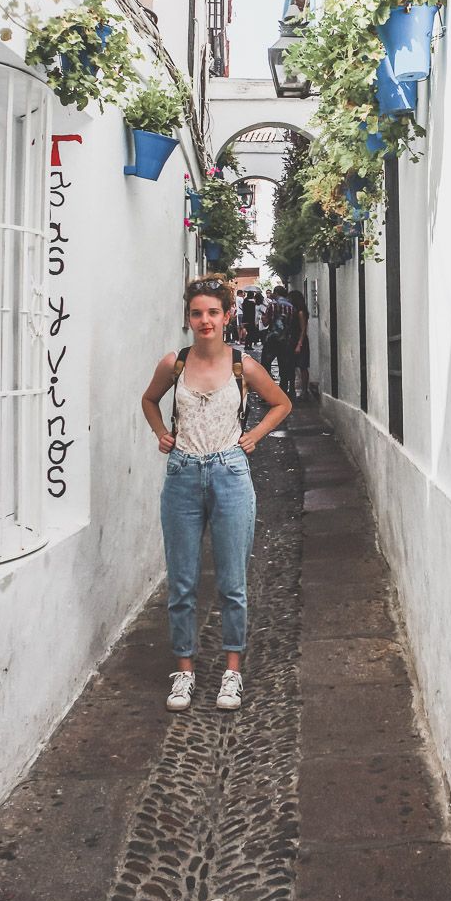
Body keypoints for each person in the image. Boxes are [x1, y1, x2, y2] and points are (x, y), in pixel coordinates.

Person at [141, 275, 291, 714]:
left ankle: (231, 671)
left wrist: (256, 436)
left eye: (212, 312)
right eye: (196, 313)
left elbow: (281, 402)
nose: (204, 320)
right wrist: (161, 434)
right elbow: (149, 401)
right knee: (183, 583)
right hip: (183, 476)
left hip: (230, 474)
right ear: (188, 318)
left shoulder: (243, 365)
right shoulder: (175, 363)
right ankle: (184, 672)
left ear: (227, 316)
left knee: (232, 583)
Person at [260, 285, 297, 397]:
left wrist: (263, 318)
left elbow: (266, 322)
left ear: (276, 293)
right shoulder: (291, 307)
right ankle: (283, 391)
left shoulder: (272, 305)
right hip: (286, 340)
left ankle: (267, 393)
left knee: (265, 365)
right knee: (284, 366)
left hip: (272, 339)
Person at [288, 288, 311, 402]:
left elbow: (303, 329)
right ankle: (293, 389)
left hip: (299, 341)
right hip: (294, 340)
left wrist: (299, 344)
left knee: (302, 366)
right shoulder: (295, 311)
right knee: (293, 365)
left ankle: (304, 391)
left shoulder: (301, 312)